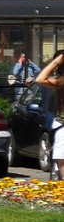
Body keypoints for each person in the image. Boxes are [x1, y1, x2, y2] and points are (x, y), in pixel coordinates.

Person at [33, 49, 64, 180]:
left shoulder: (60, 82)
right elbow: (40, 80)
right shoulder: (60, 82)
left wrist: (56, 61)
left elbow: (40, 79)